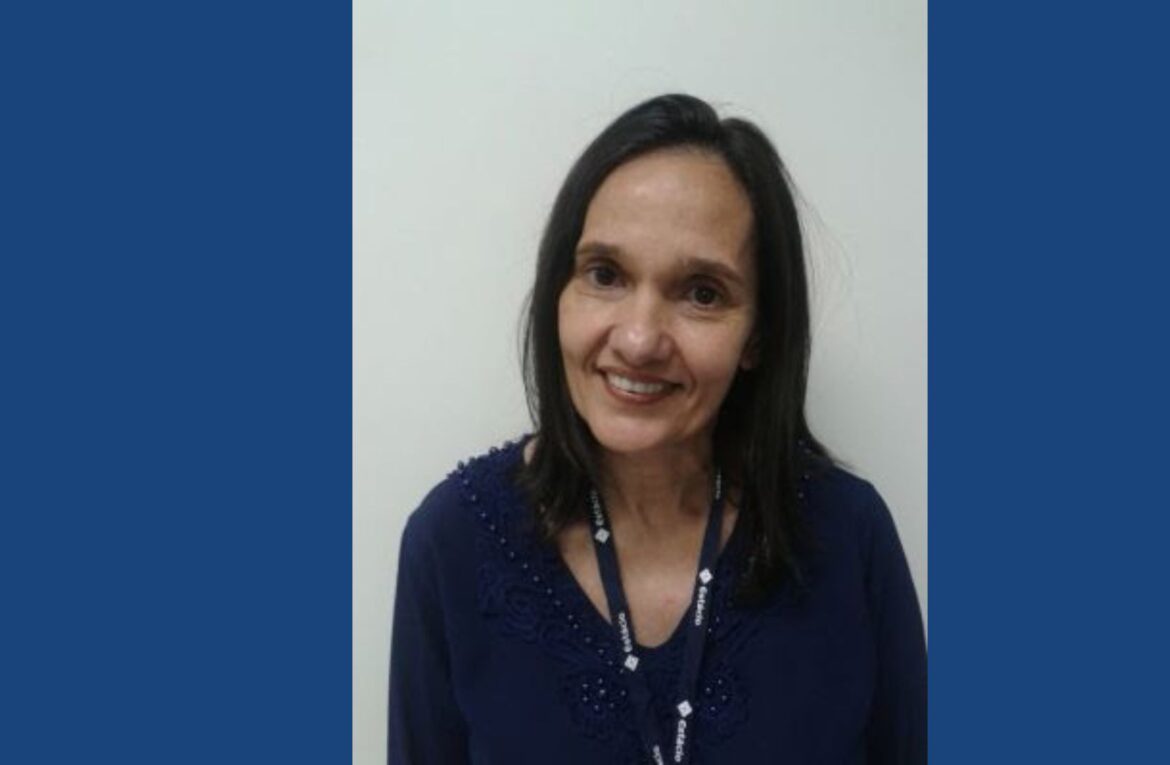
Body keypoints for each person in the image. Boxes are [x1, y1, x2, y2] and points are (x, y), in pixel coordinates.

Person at [388, 93, 926, 764]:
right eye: (605, 274)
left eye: (702, 292)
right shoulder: (453, 543)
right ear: (558, 292)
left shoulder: (847, 536)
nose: (639, 339)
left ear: (758, 334)